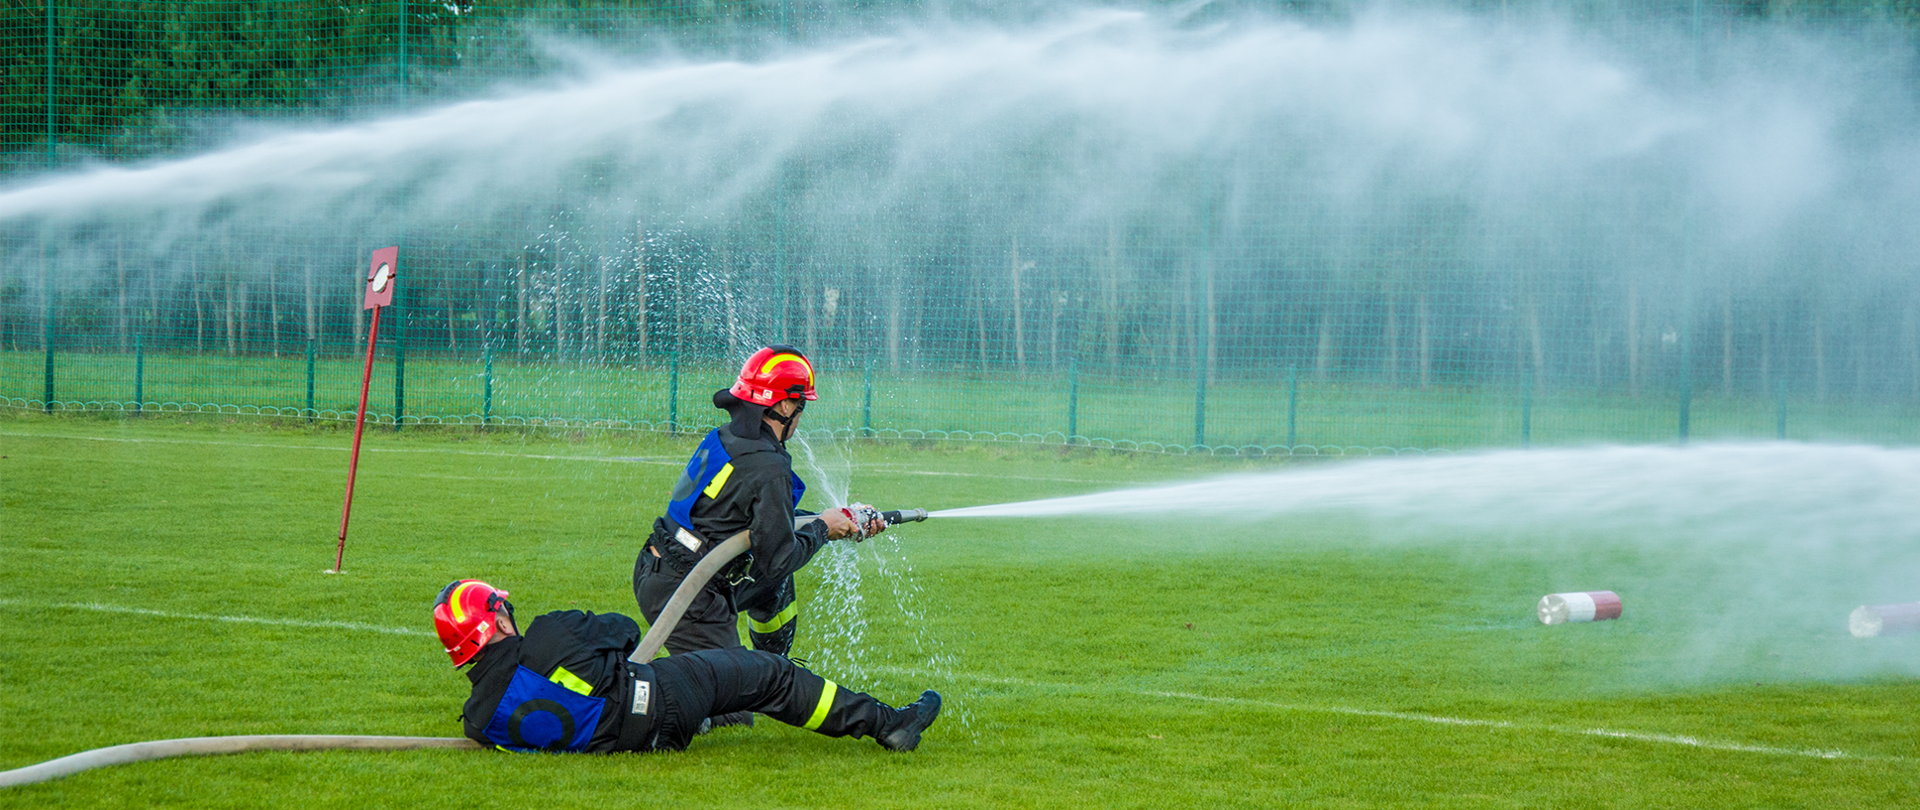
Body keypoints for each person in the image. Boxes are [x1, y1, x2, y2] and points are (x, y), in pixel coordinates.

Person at [433, 579, 941, 753]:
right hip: (666, 699)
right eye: (502, 610)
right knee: (769, 674)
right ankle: (889, 725)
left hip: (634, 743)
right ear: (495, 622)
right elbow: (626, 630)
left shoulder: (479, 720)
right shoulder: (548, 632)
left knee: (751, 682)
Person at [633, 345, 885, 663]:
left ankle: (771, 668)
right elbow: (779, 557)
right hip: (689, 590)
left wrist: (843, 520)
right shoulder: (767, 465)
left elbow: (763, 524)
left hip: (663, 565)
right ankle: (757, 681)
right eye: (801, 403)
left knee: (774, 585)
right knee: (727, 700)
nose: (801, 414)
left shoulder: (729, 437)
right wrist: (823, 528)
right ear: (783, 404)